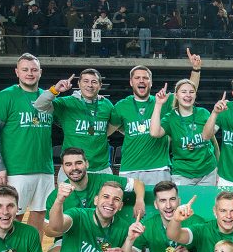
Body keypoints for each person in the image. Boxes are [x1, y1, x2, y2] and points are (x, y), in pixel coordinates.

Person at [108, 49, 202, 186]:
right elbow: (108, 131)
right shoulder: (122, 106)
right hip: (130, 168)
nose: (142, 80)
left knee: (162, 206)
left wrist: (196, 69)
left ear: (151, 82)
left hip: (159, 167)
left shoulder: (163, 101)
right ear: (131, 82)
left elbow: (188, 92)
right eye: (137, 78)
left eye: (146, 78)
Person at [0, 53, 54, 238]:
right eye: (25, 70)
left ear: (40, 72)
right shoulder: (5, 96)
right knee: (14, 216)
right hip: (17, 170)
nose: (29, 73)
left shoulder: (47, 98)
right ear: (17, 72)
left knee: (39, 214)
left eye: (34, 70)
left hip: (44, 168)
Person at [43, 147, 143, 252]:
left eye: (79, 163)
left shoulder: (102, 180)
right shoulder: (56, 196)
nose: (74, 168)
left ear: (87, 164)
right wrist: (72, 227)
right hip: (71, 237)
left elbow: (137, 184)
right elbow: (48, 230)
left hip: (104, 235)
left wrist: (139, 201)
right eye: (68, 164)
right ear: (63, 168)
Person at [36, 69, 115, 178]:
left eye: (94, 82)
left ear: (100, 85)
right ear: (79, 83)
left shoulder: (107, 104)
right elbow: (39, 105)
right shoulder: (67, 103)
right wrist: (55, 90)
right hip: (72, 169)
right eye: (86, 81)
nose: (90, 85)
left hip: (101, 169)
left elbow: (114, 126)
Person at [150, 80, 219, 186]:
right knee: (184, 202)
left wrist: (218, 168)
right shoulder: (171, 118)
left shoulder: (203, 113)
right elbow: (154, 133)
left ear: (195, 95)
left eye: (191, 92)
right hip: (182, 173)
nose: (188, 95)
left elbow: (212, 141)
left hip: (208, 172)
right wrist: (158, 104)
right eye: (184, 92)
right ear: (176, 95)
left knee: (206, 202)